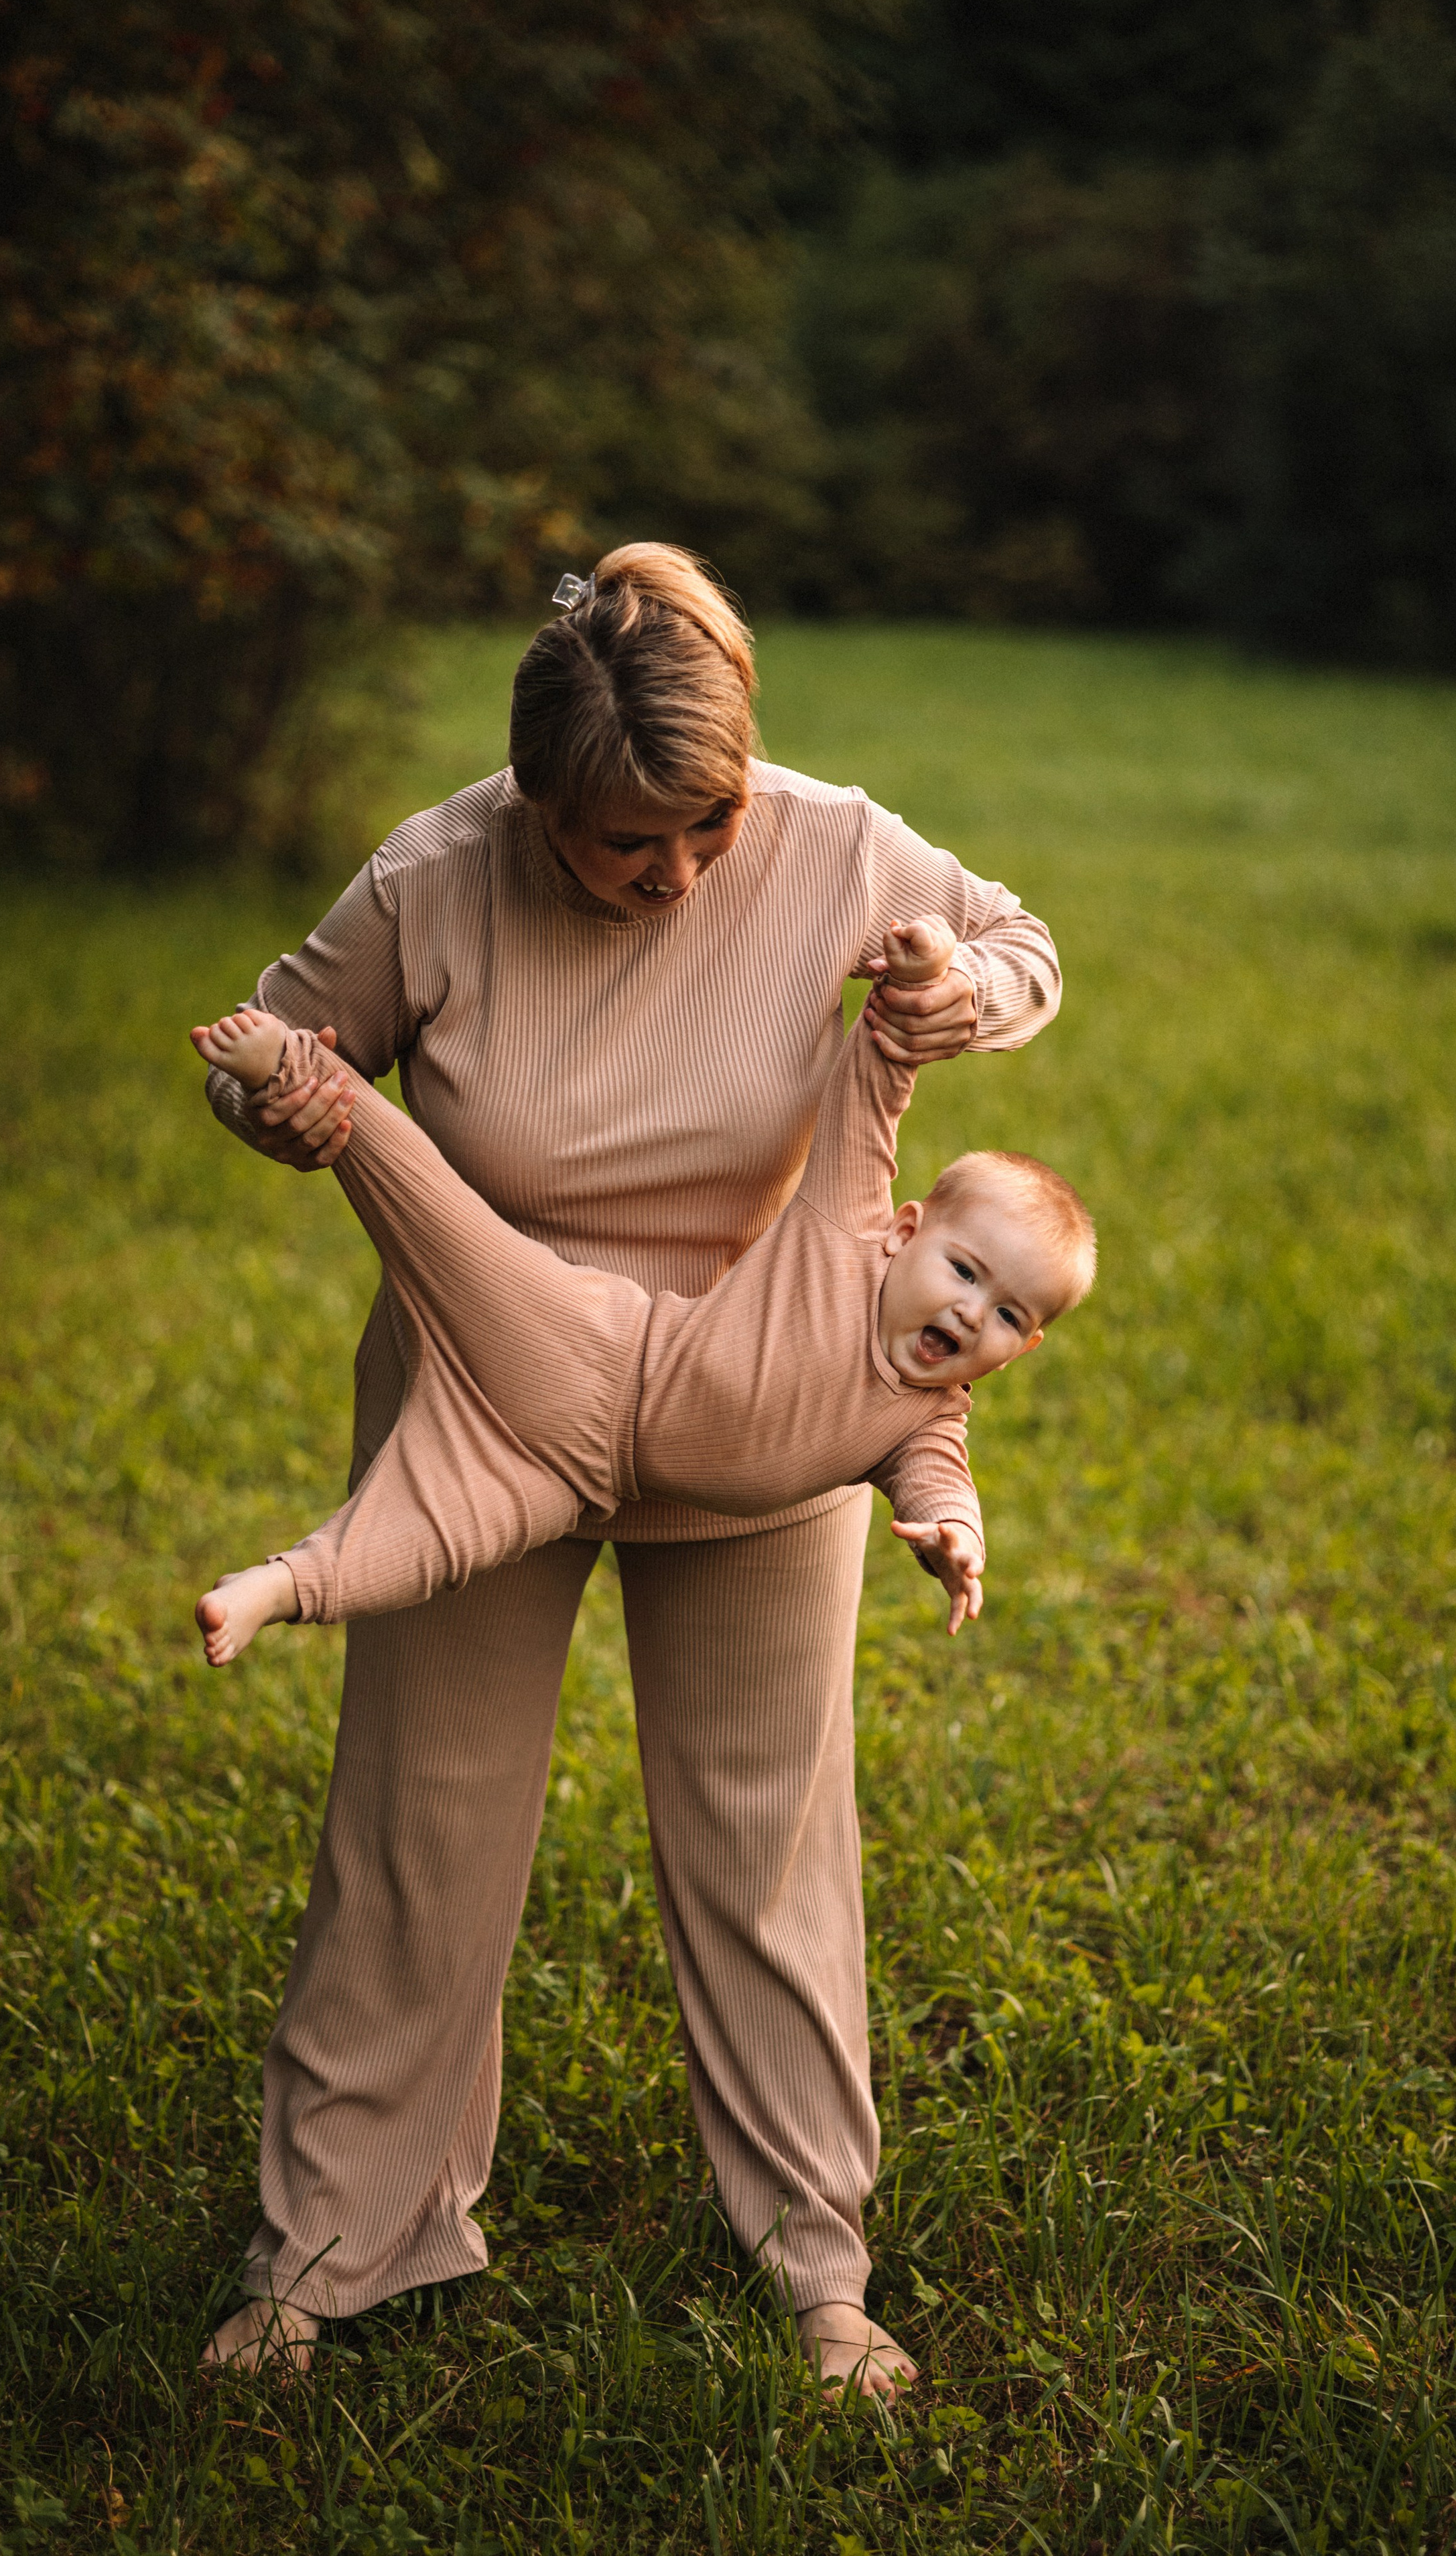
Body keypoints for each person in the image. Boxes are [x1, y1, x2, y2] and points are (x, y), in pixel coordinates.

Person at [199, 543, 1064, 2395]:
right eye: (623, 847)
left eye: (708, 828)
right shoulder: (433, 878)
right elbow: (278, 1038)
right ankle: (336, 2248)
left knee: (767, 1843)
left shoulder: (832, 844)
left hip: (765, 1406)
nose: (675, 873)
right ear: (536, 809)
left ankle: (816, 2266)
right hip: (485, 1402)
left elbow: (1023, 945)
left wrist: (957, 987)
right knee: (421, 1827)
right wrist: (276, 1102)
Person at [190, 918, 1093, 1661]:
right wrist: (921, 976)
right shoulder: (845, 1237)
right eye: (964, 1272)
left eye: (1009, 1314)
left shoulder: (928, 1420)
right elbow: (872, 1090)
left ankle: (282, 1586)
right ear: (904, 1233)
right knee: (438, 1223)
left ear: (1027, 1348)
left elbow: (941, 1489)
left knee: (438, 1535)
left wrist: (955, 1541)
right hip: (591, 1351)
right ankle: (295, 1069)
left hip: (569, 1471)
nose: (973, 1311)